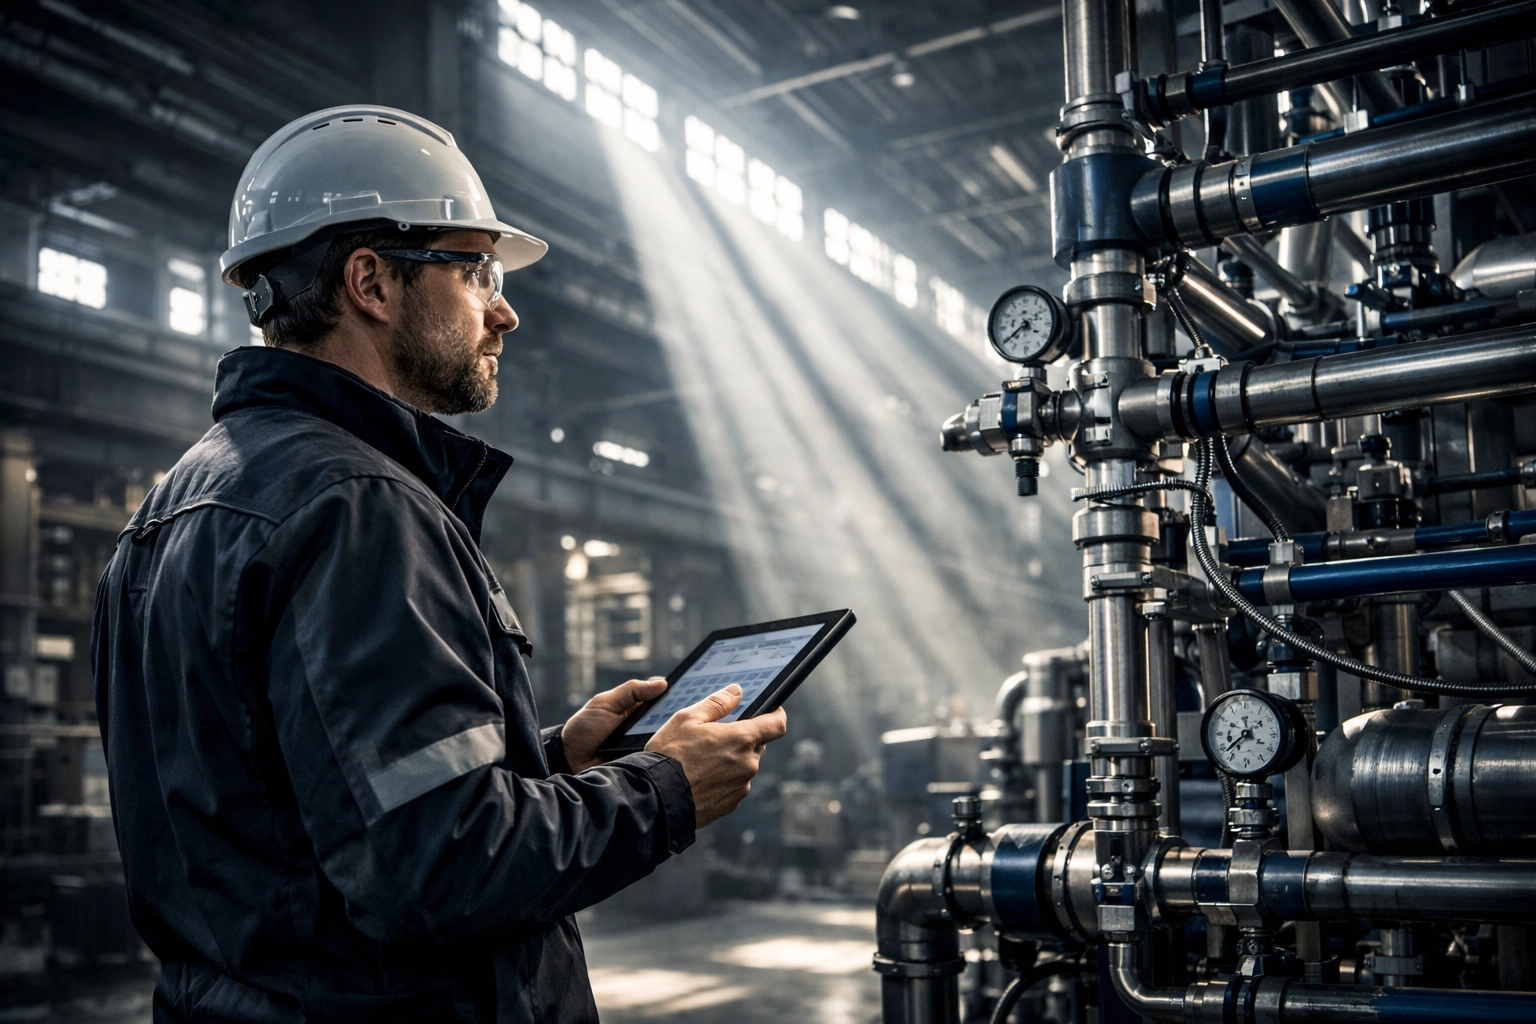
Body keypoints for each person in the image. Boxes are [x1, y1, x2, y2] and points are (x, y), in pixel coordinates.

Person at [92, 105, 786, 1024]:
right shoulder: (357, 505)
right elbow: (433, 872)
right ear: (372, 282)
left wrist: (548, 763)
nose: (505, 309)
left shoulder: (170, 509)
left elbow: (299, 817)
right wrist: (661, 793)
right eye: (477, 270)